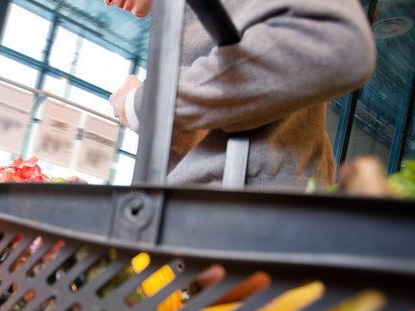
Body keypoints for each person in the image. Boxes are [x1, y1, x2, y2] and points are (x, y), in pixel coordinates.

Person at [104, 0, 376, 190]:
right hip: (206, 225)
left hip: (248, 227)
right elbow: (226, 115)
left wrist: (143, 102)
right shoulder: (179, 14)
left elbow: (338, 42)